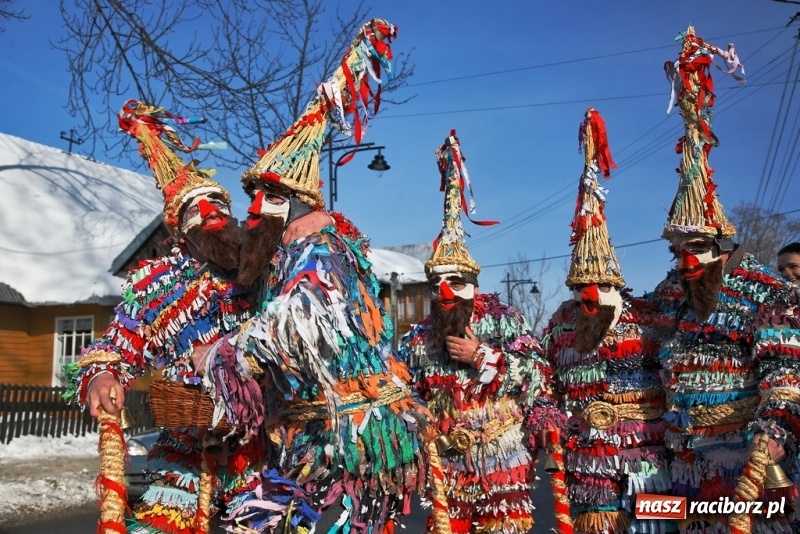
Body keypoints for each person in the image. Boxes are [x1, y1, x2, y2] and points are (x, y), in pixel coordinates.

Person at [64, 100, 332, 534]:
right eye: (198, 209)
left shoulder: (266, 261)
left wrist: (319, 220)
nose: (213, 214)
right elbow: (114, 347)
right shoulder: (155, 283)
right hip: (183, 458)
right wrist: (100, 376)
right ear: (178, 229)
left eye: (220, 206)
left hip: (263, 452)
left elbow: (320, 291)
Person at [204, 19, 426, 534]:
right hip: (323, 431)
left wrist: (223, 354)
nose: (250, 218)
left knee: (254, 523)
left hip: (349, 436)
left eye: (261, 208)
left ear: (287, 205)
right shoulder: (300, 253)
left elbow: (300, 320)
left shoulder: (319, 251)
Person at [657, 26, 798, 533]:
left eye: (695, 248)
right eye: (676, 250)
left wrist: (775, 429)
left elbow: (786, 377)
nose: (685, 260)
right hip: (685, 470)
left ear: (721, 246)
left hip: (747, 465)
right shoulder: (671, 300)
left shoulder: (767, 293)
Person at [397, 130, 561, 534]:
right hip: (446, 465)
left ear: (473, 281)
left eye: (454, 281)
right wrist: (415, 412)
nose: (445, 292)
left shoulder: (504, 318)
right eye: (436, 284)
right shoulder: (418, 337)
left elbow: (539, 375)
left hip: (501, 461)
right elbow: (404, 390)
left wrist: (484, 357)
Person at [544, 108, 672, 534]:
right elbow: (542, 384)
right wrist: (549, 422)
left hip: (650, 461)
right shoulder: (561, 326)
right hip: (587, 469)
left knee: (660, 527)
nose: (588, 294)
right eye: (580, 286)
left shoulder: (651, 317)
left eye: (598, 285)